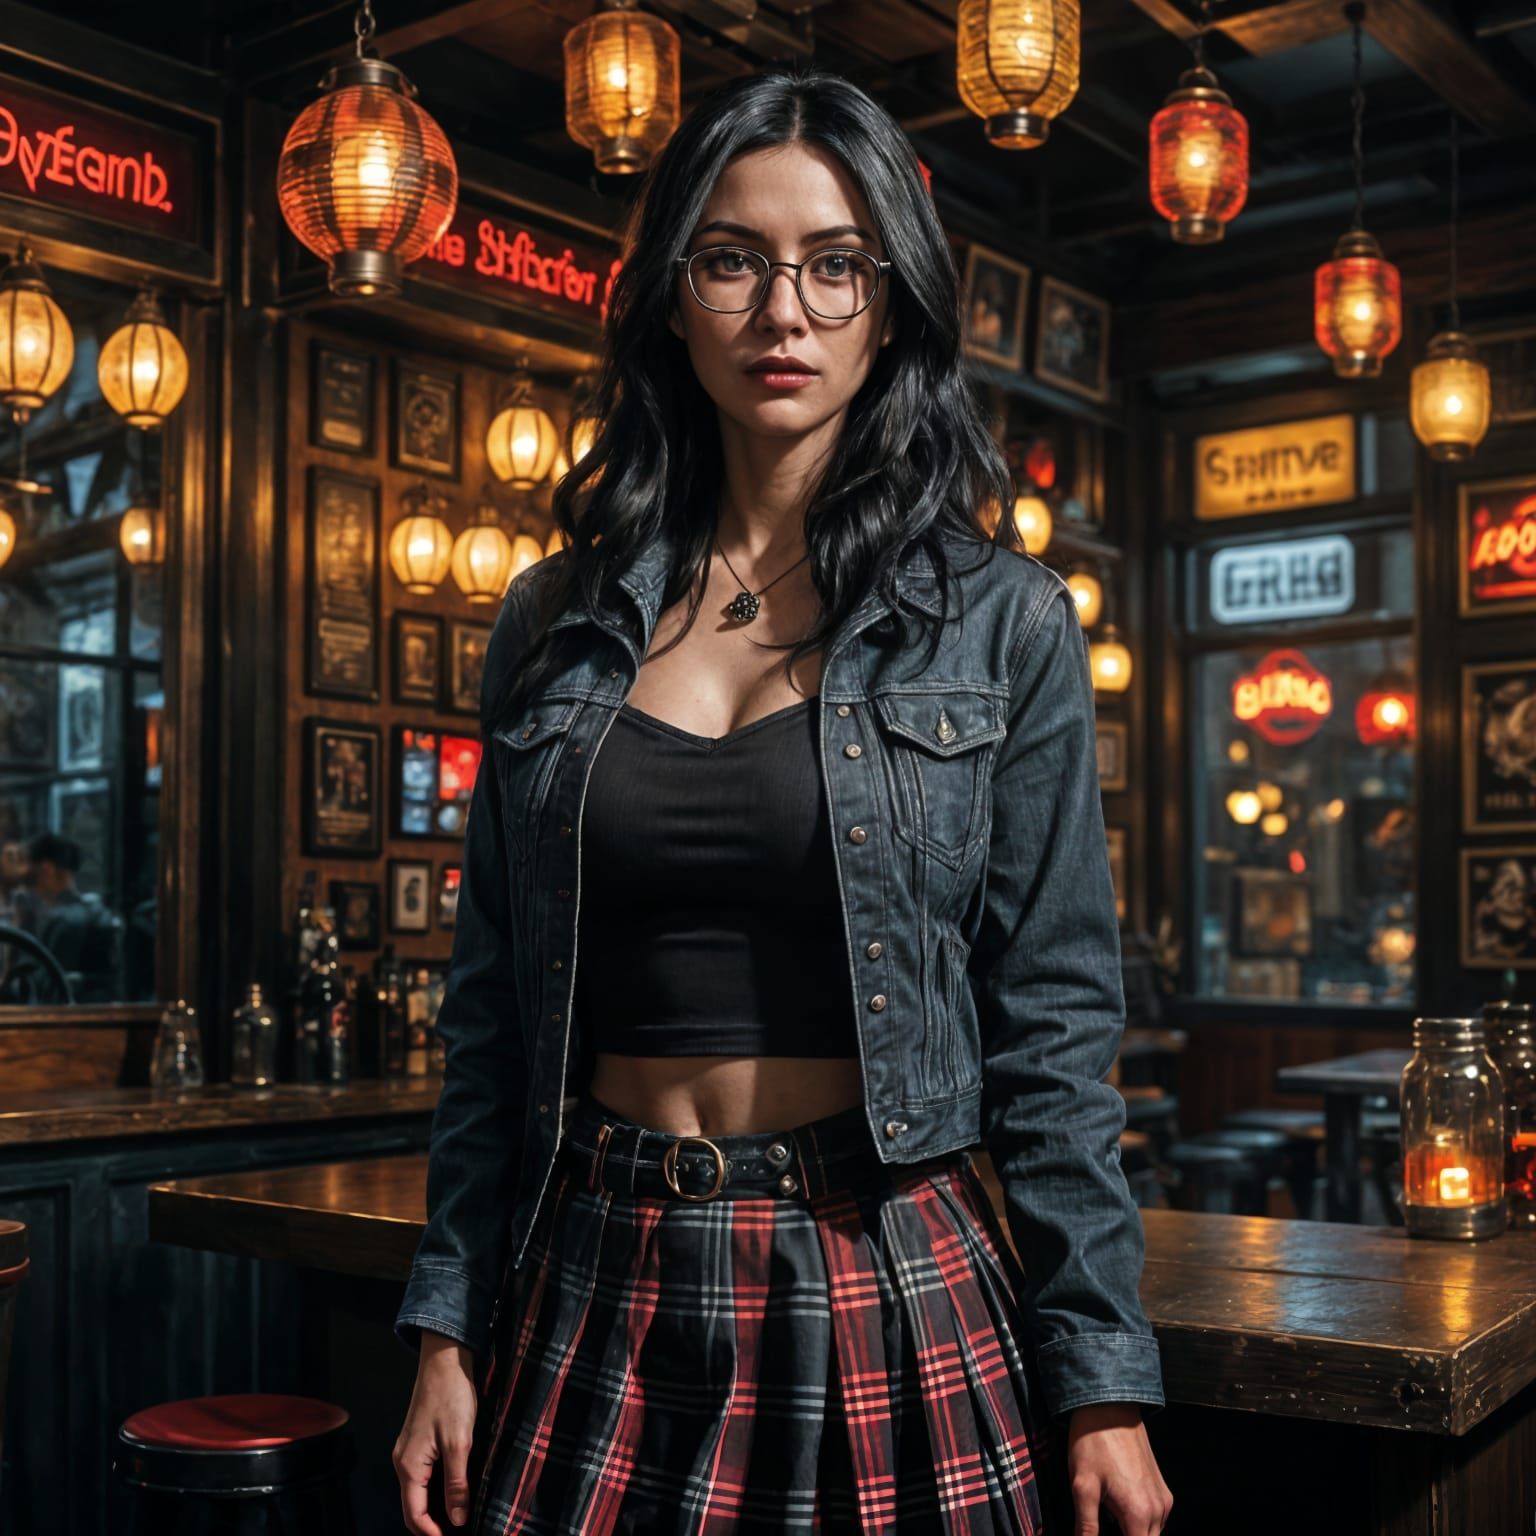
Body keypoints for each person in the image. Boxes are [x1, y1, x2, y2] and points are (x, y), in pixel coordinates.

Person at [393, 66, 1170, 1536]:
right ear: (672, 300)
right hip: (596, 1265)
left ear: (893, 304)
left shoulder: (1002, 622)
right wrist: (447, 1323)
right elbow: (490, 1016)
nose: (784, 311)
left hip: (880, 1262)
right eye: (734, 260)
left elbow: (1057, 1030)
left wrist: (1104, 1383)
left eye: (834, 263)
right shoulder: (552, 619)